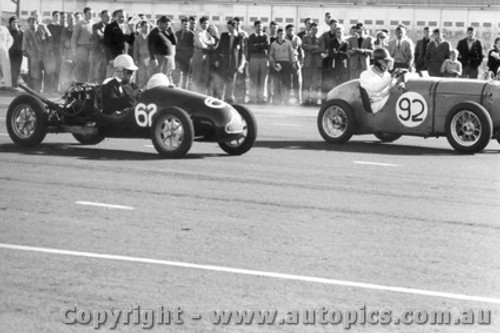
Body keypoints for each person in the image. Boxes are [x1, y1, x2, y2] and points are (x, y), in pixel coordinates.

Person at [360, 48, 404, 114]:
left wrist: (400, 79)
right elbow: (376, 88)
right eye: (385, 61)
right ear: (378, 62)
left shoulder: (386, 74)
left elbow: (393, 87)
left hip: (386, 102)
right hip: (375, 105)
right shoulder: (365, 74)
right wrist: (392, 76)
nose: (388, 63)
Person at [214, 19, 244, 103]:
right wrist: (217, 60)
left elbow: (241, 53)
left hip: (234, 64)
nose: (228, 28)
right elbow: (218, 48)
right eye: (228, 27)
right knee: (221, 81)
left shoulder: (240, 37)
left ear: (234, 27)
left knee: (231, 82)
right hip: (223, 62)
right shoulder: (224, 35)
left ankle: (229, 98)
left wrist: (240, 65)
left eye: (230, 27)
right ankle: (220, 97)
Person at [269, 28, 297, 105]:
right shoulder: (273, 44)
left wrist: (293, 63)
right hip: (277, 64)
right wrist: (273, 63)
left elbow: (292, 54)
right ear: (277, 34)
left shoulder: (288, 43)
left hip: (286, 63)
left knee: (287, 82)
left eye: (283, 34)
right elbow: (271, 55)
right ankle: (277, 100)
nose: (282, 35)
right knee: (277, 82)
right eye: (280, 34)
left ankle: (286, 100)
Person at [301, 22, 324, 105]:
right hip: (308, 63)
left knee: (315, 82)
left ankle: (314, 101)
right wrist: (314, 47)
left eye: (316, 29)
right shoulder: (305, 37)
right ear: (310, 29)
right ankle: (305, 100)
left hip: (317, 63)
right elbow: (303, 46)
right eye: (313, 29)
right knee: (306, 82)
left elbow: (322, 48)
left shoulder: (321, 38)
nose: (315, 31)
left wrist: (310, 49)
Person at [248, 20, 270, 104]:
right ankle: (252, 97)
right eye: (258, 26)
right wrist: (261, 45)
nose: (260, 28)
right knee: (253, 79)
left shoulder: (266, 36)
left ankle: (262, 98)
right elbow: (250, 47)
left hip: (264, 59)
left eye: (261, 27)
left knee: (263, 79)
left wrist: (256, 45)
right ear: (255, 27)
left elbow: (267, 46)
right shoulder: (251, 37)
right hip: (253, 58)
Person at [149, 16, 177, 81]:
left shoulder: (167, 32)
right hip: (159, 57)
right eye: (166, 24)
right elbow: (151, 46)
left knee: (167, 75)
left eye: (169, 25)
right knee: (159, 75)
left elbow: (174, 42)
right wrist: (153, 58)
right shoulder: (154, 32)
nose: (168, 26)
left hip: (168, 57)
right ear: (160, 23)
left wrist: (171, 32)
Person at [103, 9, 130, 77]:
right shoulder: (110, 27)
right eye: (119, 16)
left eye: (123, 16)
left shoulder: (127, 27)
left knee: (121, 77)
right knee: (110, 77)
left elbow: (127, 42)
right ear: (114, 17)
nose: (121, 18)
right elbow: (106, 44)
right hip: (113, 57)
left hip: (123, 57)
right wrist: (110, 58)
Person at [71, 7, 94, 82]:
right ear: (84, 14)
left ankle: (87, 86)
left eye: (92, 13)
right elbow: (74, 38)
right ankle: (80, 85)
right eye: (89, 13)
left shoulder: (93, 24)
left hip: (91, 50)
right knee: (81, 69)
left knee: (90, 69)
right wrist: (74, 52)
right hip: (81, 49)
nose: (91, 15)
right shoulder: (79, 24)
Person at [89, 10, 110, 84]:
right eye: (106, 16)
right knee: (95, 74)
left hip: (107, 55)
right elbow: (99, 36)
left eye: (109, 16)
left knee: (104, 74)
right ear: (101, 17)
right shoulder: (96, 26)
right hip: (97, 53)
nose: (108, 18)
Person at [173, 17, 194, 89]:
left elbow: (192, 47)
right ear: (181, 25)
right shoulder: (177, 33)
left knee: (186, 76)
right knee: (176, 75)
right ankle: (176, 89)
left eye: (187, 25)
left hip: (187, 59)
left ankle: (184, 89)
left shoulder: (191, 34)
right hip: (178, 58)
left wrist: (189, 55)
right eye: (184, 24)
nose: (186, 26)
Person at [8, 16, 23, 88]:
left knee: (17, 69)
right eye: (12, 22)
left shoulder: (21, 32)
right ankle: (11, 84)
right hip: (10, 53)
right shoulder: (8, 32)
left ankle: (15, 84)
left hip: (19, 53)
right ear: (10, 23)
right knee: (11, 68)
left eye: (15, 22)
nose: (14, 24)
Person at [0, 18, 13, 89]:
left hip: (3, 48)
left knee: (6, 66)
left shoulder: (4, 28)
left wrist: (7, 46)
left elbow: (10, 39)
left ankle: (8, 84)